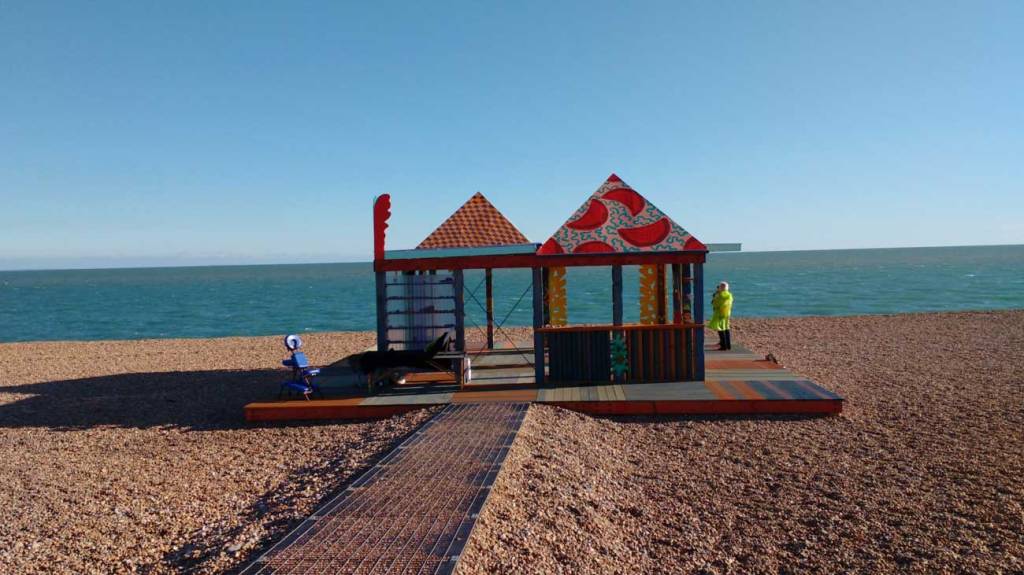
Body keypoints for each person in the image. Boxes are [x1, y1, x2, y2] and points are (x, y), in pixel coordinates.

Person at [709, 281, 733, 350]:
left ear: (721, 288)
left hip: (719, 313)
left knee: (720, 329)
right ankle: (728, 345)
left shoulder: (719, 295)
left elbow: (715, 304)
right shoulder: (729, 295)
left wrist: (715, 297)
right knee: (726, 328)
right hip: (727, 313)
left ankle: (723, 346)